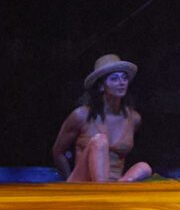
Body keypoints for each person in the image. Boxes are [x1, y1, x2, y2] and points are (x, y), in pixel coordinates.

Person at [52, 54, 152, 185]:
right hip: (82, 183)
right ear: (101, 86)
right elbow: (58, 152)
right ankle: (103, 193)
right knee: (100, 141)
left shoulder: (134, 118)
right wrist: (68, 183)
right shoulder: (81, 115)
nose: (121, 83)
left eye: (124, 78)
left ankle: (113, 191)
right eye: (114, 79)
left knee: (144, 167)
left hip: (115, 184)